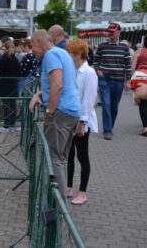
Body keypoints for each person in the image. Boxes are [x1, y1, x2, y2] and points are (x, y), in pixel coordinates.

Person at [29, 30, 80, 197]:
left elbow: (57, 85)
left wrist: (50, 110)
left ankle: (58, 209)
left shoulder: (51, 55)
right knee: (61, 158)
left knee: (54, 159)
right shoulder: (62, 53)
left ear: (40, 42)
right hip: (71, 110)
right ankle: (58, 204)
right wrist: (40, 94)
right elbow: (59, 85)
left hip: (61, 112)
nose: (32, 50)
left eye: (33, 46)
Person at [64, 40, 98, 205]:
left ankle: (82, 192)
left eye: (70, 53)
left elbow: (89, 99)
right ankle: (69, 187)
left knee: (82, 156)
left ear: (78, 54)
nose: (68, 56)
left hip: (82, 121)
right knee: (69, 155)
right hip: (70, 118)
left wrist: (83, 123)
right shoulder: (72, 70)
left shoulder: (89, 72)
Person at [93, 23, 131, 140]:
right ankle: (107, 130)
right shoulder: (102, 46)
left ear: (119, 32)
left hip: (119, 81)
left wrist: (128, 81)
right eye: (109, 31)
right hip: (104, 80)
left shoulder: (125, 47)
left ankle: (110, 126)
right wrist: (98, 70)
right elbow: (95, 61)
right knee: (106, 105)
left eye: (113, 31)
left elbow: (128, 65)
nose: (111, 34)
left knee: (114, 107)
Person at [0, 40, 21, 132]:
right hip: (14, 84)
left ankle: (6, 126)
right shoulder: (15, 58)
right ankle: (12, 124)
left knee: (7, 104)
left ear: (5, 47)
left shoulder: (3, 58)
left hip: (5, 84)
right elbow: (19, 71)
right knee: (12, 104)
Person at [131, 35, 147, 136]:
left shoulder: (139, 52)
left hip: (141, 79)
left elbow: (133, 67)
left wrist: (132, 80)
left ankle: (145, 127)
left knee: (142, 103)